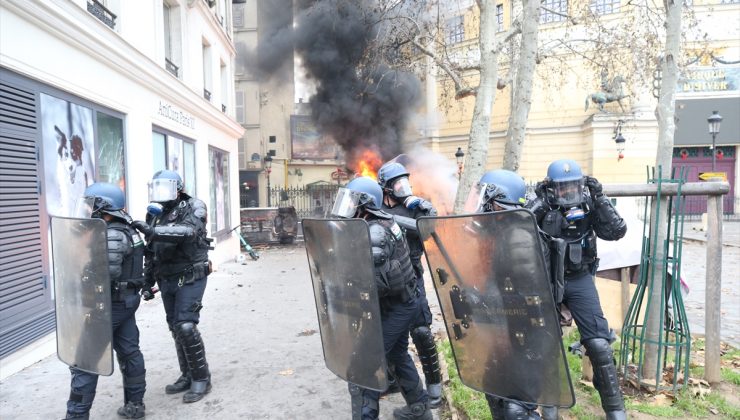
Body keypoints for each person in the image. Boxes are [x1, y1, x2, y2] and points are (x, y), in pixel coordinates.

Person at [526, 159, 627, 420]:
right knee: (547, 345)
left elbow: (617, 230)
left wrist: (600, 197)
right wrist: (538, 204)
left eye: (572, 187)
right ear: (551, 188)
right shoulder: (543, 206)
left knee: (599, 344)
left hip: (579, 278)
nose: (567, 193)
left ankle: (615, 411)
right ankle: (549, 407)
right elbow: (512, 229)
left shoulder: (588, 203)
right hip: (545, 281)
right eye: (562, 188)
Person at [331, 176, 432, 420]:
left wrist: (344, 291)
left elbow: (375, 283)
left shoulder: (375, 231)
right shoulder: (378, 221)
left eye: (352, 201)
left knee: (363, 366)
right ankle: (419, 408)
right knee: (397, 354)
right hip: (402, 302)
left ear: (364, 204)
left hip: (395, 307)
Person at [466, 170, 559, 420]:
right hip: (513, 331)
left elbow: (529, 298)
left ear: (496, 202)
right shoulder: (501, 231)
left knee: (517, 406)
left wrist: (485, 305)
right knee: (494, 386)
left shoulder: (518, 237)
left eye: (484, 197)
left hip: (528, 335)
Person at [64, 183, 147, 419]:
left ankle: (76, 415)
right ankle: (135, 404)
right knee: (129, 351)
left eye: (91, 204)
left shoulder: (112, 233)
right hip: (125, 302)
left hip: (110, 305)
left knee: (85, 360)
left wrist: (84, 279)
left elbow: (106, 274)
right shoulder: (125, 230)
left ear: (104, 207)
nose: (87, 209)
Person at [132, 170, 213, 404]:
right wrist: (147, 283)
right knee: (176, 327)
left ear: (178, 187)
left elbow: (189, 232)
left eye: (164, 187)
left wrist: (153, 231)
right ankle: (187, 374)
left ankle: (202, 378)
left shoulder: (194, 205)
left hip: (191, 274)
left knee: (186, 325)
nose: (160, 193)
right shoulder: (155, 214)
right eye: (155, 187)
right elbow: (150, 252)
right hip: (166, 277)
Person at [376, 162, 443, 408]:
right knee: (391, 334)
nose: (403, 187)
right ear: (386, 187)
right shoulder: (377, 206)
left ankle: (434, 388)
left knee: (422, 332)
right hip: (386, 281)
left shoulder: (414, 208)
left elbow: (428, 230)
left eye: (405, 181)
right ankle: (392, 379)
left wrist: (427, 208)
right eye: (397, 183)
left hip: (412, 277)